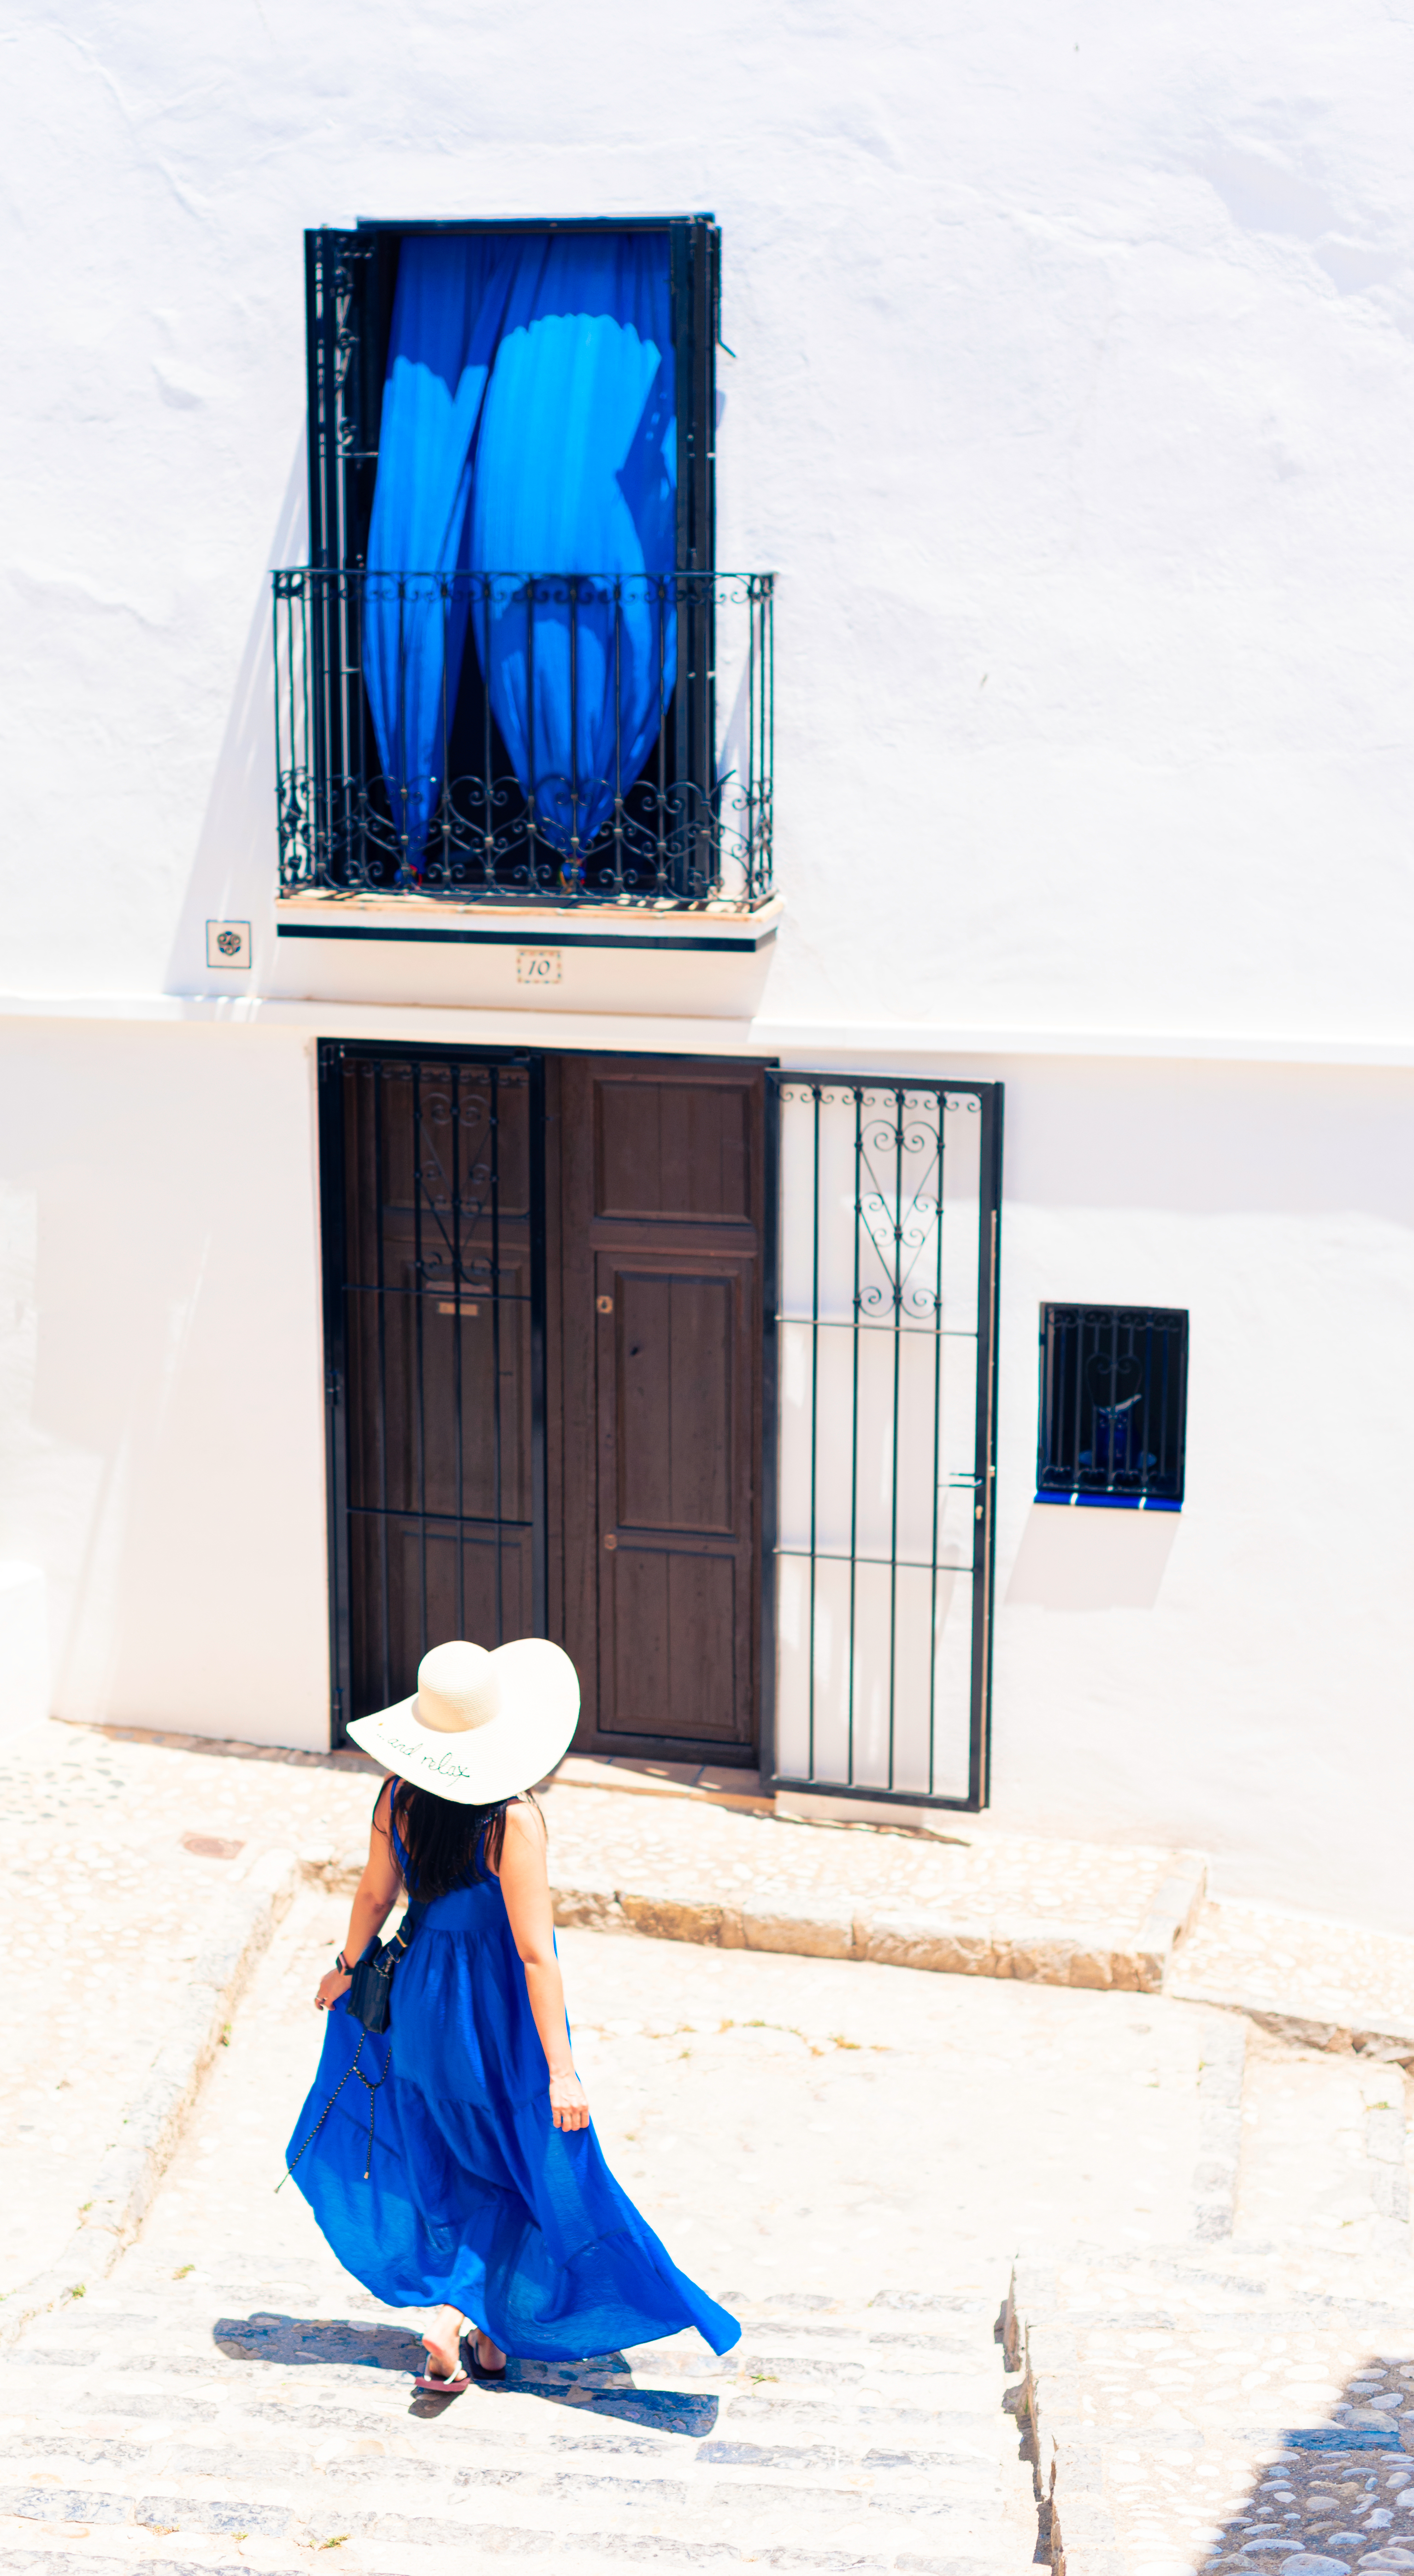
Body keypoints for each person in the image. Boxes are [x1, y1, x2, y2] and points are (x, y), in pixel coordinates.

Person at [285, 1636, 739, 2392]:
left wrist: (344, 1969)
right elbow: (534, 1955)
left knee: (456, 2158)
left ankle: (488, 2340)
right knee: (523, 2164)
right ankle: (450, 2318)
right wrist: (562, 2070)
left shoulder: (396, 1794)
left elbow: (373, 1896)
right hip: (493, 2015)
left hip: (420, 2001)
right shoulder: (510, 1820)